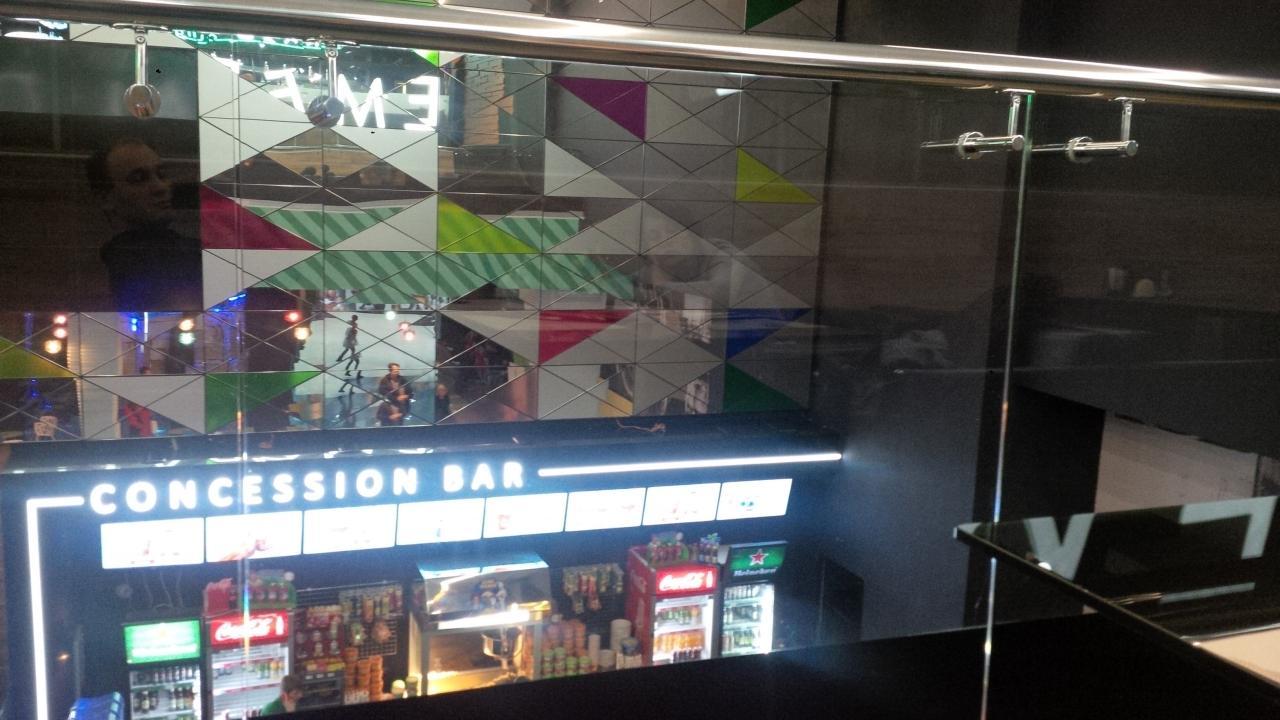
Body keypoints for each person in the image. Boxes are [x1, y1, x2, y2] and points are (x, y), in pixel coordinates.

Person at [87, 138, 202, 310]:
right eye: (139, 179)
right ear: (106, 198)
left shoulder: (188, 253)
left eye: (161, 175)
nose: (160, 187)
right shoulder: (126, 264)